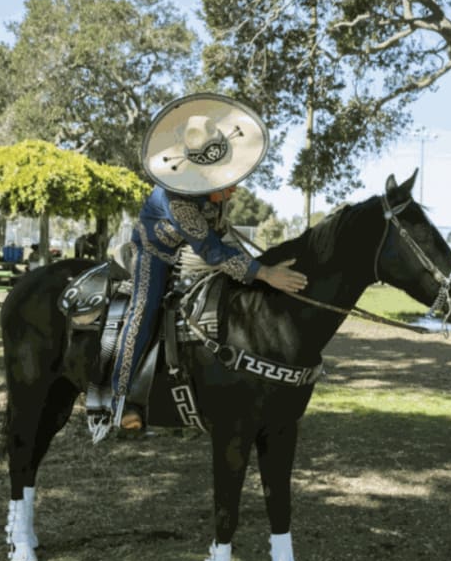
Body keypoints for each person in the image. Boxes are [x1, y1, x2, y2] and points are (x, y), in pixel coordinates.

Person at [93, 93, 308, 433]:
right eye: (224, 181)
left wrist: (257, 264)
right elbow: (212, 252)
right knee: (145, 308)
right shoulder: (177, 199)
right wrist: (265, 273)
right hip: (157, 252)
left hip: (196, 247)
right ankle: (119, 397)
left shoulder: (214, 185)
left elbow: (218, 236)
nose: (233, 188)